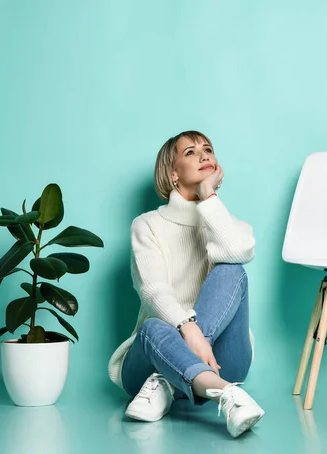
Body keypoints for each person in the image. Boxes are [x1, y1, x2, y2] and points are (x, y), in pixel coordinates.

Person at [108, 130, 264, 438]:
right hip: (147, 364)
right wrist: (187, 328)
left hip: (223, 360)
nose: (204, 154)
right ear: (173, 173)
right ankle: (229, 396)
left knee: (232, 270)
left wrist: (209, 197)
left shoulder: (229, 225)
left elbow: (237, 252)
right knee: (153, 327)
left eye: (208, 149)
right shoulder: (147, 225)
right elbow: (153, 289)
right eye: (191, 152)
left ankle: (172, 378)